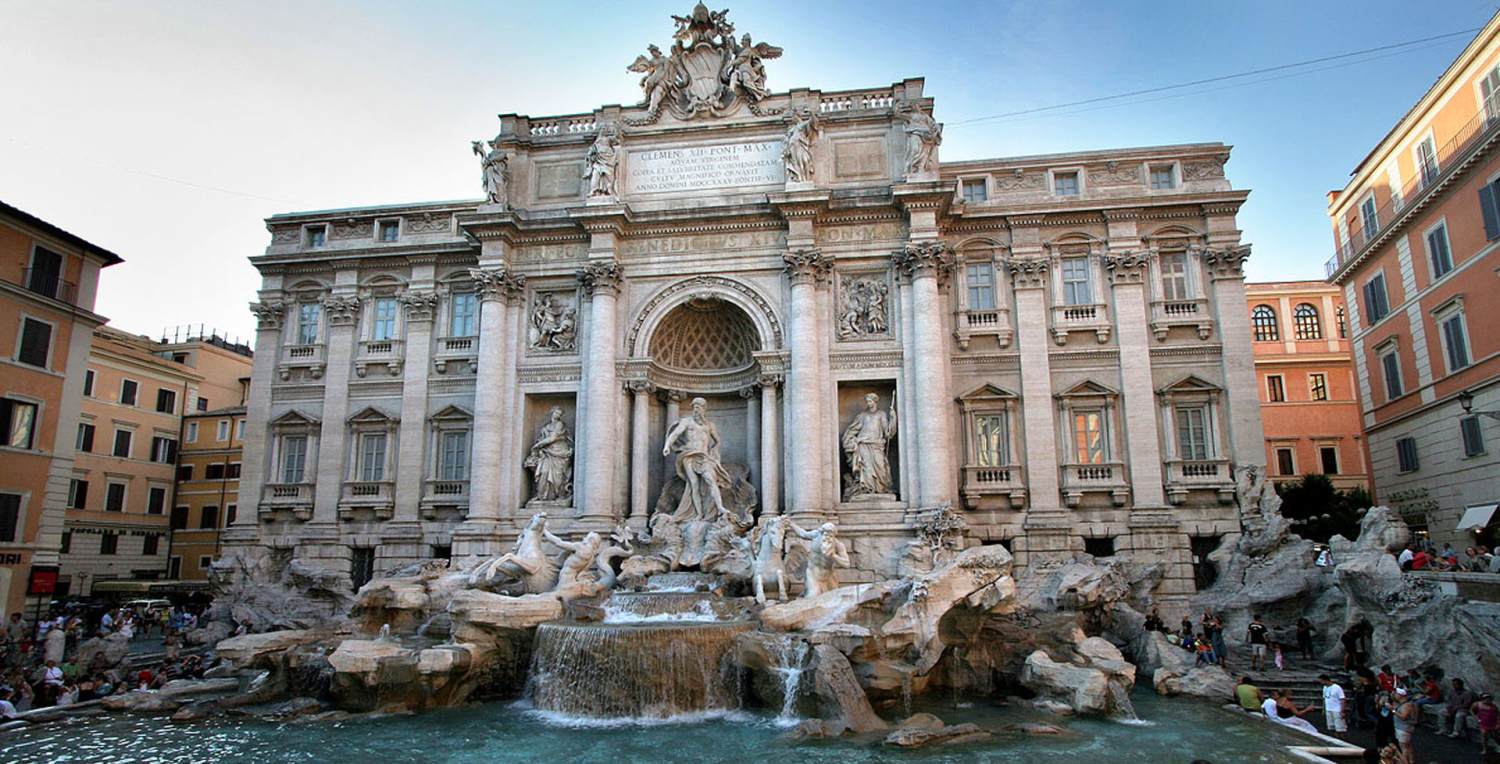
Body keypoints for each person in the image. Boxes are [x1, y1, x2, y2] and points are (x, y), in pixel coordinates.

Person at [1391, 688, 1418, 762]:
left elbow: (1403, 717)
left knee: (1404, 748)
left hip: (1404, 729)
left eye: (1396, 694)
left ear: (1400, 695)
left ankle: (1404, 762)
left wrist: (1392, 710)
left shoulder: (1406, 705)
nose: (1395, 695)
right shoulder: (1403, 704)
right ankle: (1412, 761)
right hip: (1402, 728)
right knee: (1408, 746)